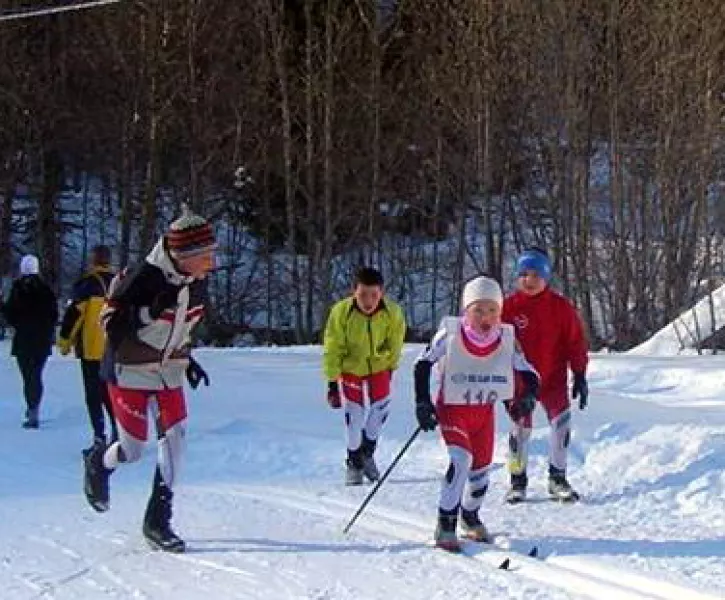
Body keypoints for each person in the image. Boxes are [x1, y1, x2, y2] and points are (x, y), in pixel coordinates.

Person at [82, 205, 215, 553]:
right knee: (133, 450)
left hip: (168, 371)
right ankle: (99, 462)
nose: (211, 263)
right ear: (185, 255)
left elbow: (180, 328)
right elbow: (109, 324)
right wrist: (146, 311)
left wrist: (188, 359)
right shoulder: (142, 276)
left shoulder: (198, 283)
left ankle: (158, 519)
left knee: (175, 441)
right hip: (129, 370)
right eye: (206, 255)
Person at [414, 275, 539, 552]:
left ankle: (469, 517)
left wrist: (528, 396)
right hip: (453, 409)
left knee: (481, 475)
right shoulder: (452, 333)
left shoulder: (506, 338)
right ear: (466, 311)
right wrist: (422, 402)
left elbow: (528, 372)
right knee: (461, 460)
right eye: (478, 309)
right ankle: (445, 524)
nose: (486, 317)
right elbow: (422, 364)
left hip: (483, 414)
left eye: (492, 310)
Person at [502, 248, 589, 504]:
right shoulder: (507, 307)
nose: (529, 280)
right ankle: (517, 481)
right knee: (520, 429)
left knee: (561, 426)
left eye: (536, 275)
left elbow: (575, 342)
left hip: (553, 378)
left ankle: (557, 478)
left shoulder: (561, 307)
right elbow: (494, 343)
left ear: (546, 277)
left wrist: (580, 373)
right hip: (519, 381)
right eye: (524, 274)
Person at [323, 267, 407, 485]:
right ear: (354, 292)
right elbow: (333, 346)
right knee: (355, 416)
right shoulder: (342, 312)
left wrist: (390, 366)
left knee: (379, 412)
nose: (368, 301)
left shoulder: (392, 312)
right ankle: (354, 462)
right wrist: (332, 381)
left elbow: (395, 342)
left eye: (374, 295)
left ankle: (367, 452)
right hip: (352, 367)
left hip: (380, 366)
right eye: (362, 295)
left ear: (382, 293)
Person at [57, 245, 118, 450]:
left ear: (93, 261)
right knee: (111, 392)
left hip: (91, 348)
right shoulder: (119, 284)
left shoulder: (86, 285)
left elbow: (74, 316)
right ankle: (119, 433)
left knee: (93, 395)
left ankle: (99, 437)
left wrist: (65, 341)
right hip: (114, 349)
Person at [2, 254, 58, 429]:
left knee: (28, 375)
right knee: (36, 374)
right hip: (42, 339)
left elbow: (11, 314)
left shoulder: (19, 288)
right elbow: (53, 315)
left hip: (24, 339)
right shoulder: (46, 289)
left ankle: (32, 407)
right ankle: (34, 406)